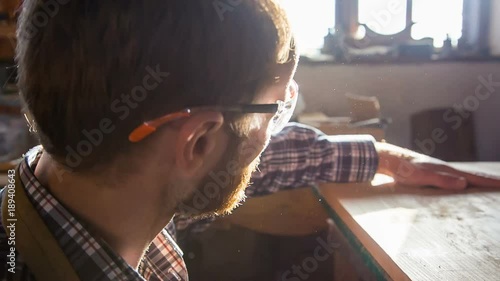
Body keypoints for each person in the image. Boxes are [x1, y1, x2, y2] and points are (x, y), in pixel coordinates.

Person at [1, 1, 499, 281]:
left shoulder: (77, 177)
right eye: (277, 107)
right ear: (197, 141)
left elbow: (248, 155)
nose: (273, 132)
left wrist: (381, 156)